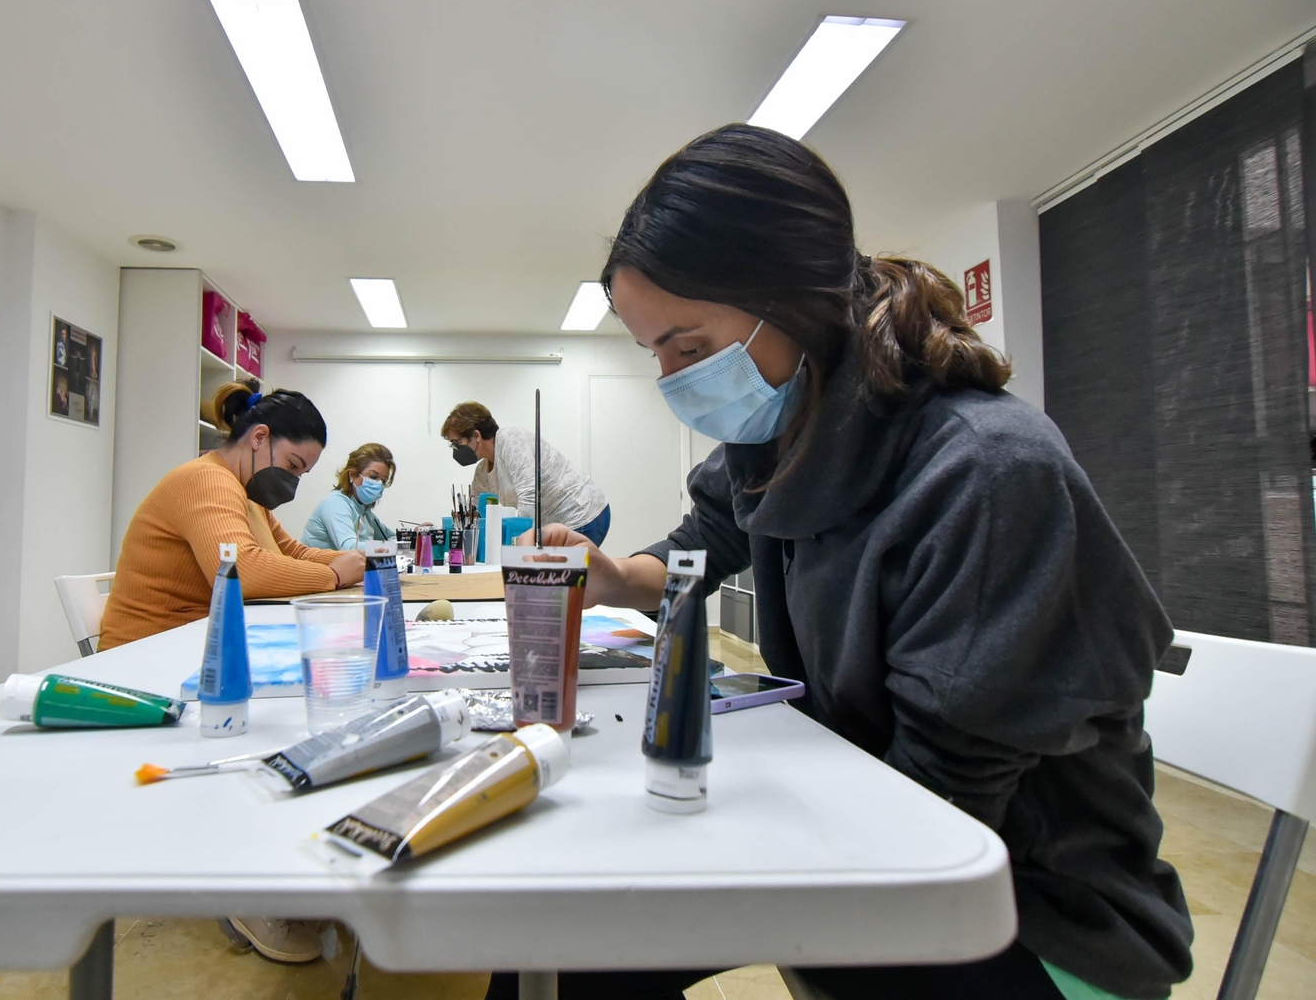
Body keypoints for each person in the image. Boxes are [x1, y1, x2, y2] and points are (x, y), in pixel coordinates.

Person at [491, 125, 1192, 1000]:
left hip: (1021, 908)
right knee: (565, 944)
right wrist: (616, 575)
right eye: (656, 354)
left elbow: (939, 813)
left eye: (690, 346)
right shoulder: (788, 432)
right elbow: (704, 542)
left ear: (793, 303)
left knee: (602, 922)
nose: (672, 378)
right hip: (883, 823)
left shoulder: (985, 470)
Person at [99, 383, 366, 651]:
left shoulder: (245, 492)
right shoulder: (207, 479)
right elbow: (241, 571)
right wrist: (333, 575)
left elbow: (290, 552)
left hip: (193, 643)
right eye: (292, 465)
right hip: (145, 653)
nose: (293, 479)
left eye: (300, 473)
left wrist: (364, 564)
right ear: (259, 437)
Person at [441, 401, 611, 546]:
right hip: (555, 524)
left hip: (581, 514)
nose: (456, 450)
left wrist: (518, 544)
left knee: (561, 580)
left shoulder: (509, 440)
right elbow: (475, 513)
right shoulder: (482, 473)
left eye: (456, 443)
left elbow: (529, 495)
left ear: (476, 435)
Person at [301, 442, 398, 550]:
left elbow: (392, 538)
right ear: (352, 474)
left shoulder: (364, 511)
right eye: (373, 476)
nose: (379, 484)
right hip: (316, 566)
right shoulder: (336, 503)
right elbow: (350, 548)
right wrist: (394, 547)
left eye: (383, 481)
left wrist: (416, 536)